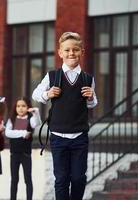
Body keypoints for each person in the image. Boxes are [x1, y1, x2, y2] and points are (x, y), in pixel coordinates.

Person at [32, 32, 98, 200]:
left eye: (75, 50)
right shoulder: (52, 76)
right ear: (60, 52)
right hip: (58, 137)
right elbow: (36, 94)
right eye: (67, 50)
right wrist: (48, 93)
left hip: (79, 137)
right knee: (61, 179)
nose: (71, 53)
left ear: (82, 52)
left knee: (78, 179)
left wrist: (91, 96)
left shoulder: (87, 79)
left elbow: (92, 104)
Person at [5, 97, 41, 200]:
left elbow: (37, 123)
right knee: (14, 179)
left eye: (23, 106)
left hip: (26, 154)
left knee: (28, 179)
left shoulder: (30, 119)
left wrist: (36, 112)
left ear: (28, 107)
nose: (20, 108)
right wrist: (23, 133)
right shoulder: (12, 119)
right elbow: (8, 133)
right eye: (18, 106)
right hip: (14, 154)